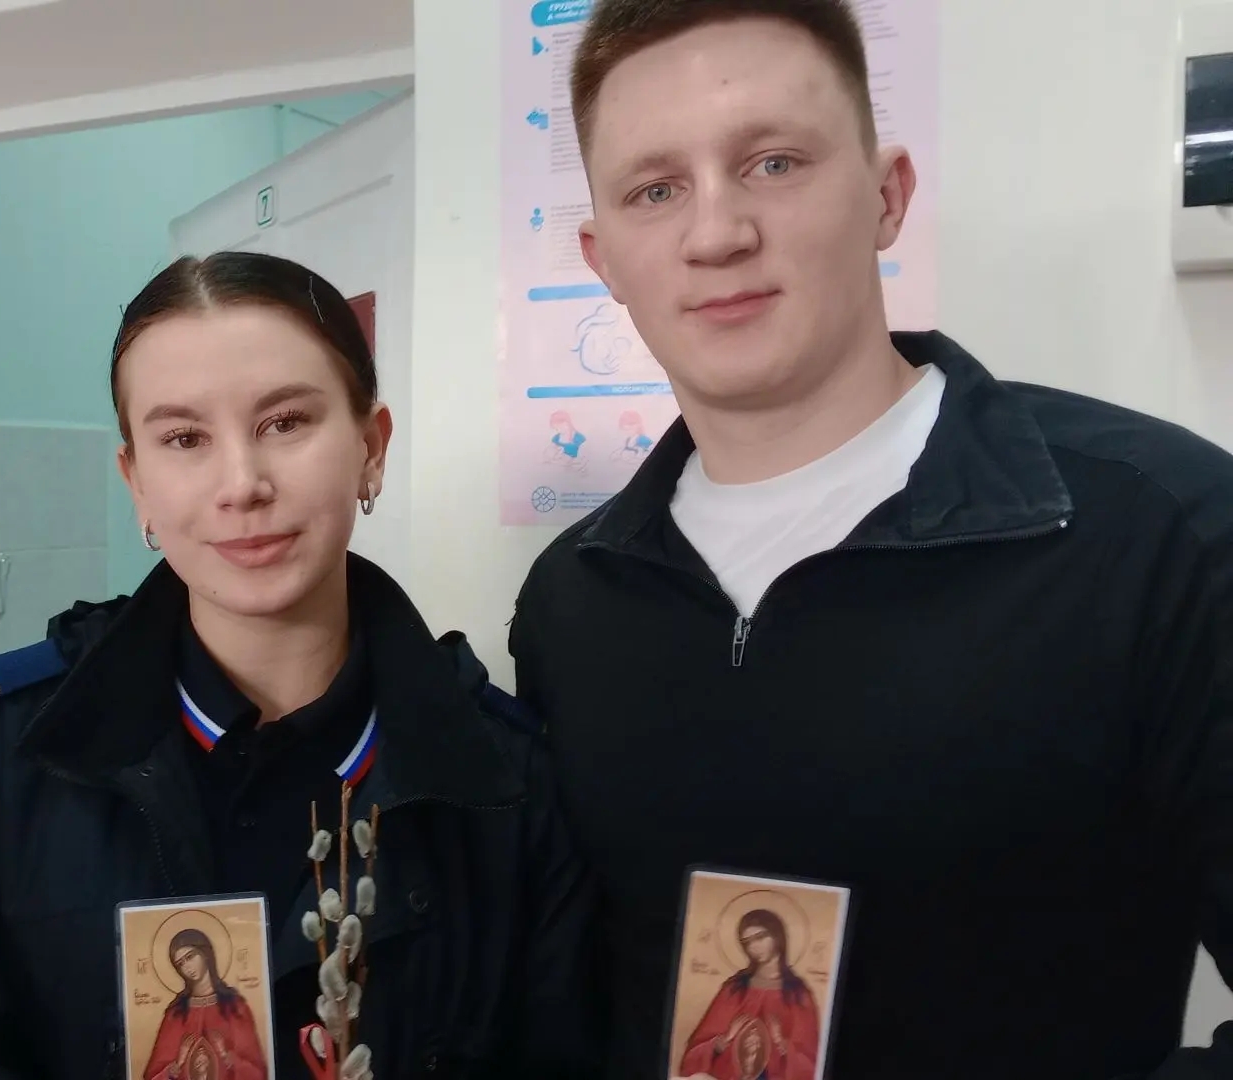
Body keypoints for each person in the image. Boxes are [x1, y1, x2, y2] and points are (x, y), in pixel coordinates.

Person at [510, 0, 1233, 1077]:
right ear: (602, 255)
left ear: (886, 196)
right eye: (655, 191)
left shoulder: (1158, 534)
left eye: (772, 164)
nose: (716, 234)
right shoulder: (573, 600)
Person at [0, 252, 596, 1078]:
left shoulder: (509, 785)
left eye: (286, 422)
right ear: (137, 483)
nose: (243, 484)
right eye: (184, 438)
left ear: (371, 448)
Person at [677, 911, 817, 1080]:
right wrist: (723, 1040)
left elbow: (811, 1060)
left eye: (760, 937)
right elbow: (695, 1051)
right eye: (747, 942)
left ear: (777, 936)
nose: (753, 947)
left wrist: (782, 1043)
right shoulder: (734, 989)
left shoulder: (798, 994)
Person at [142, 929, 267, 1080]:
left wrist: (227, 1057)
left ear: (205, 953)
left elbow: (257, 1073)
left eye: (190, 957)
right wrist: (177, 1065)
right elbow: (153, 1076)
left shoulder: (234, 1007)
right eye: (180, 964)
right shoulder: (176, 1015)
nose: (187, 967)